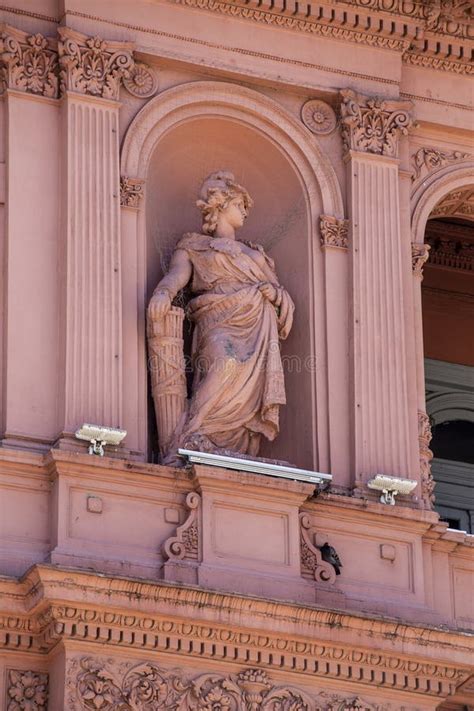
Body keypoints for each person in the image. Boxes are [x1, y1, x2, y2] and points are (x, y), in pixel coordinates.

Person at [148, 171, 294, 461]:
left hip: (256, 325)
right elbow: (176, 276)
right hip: (218, 320)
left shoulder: (255, 254)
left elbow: (281, 296)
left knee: (247, 392)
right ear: (222, 205)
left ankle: (234, 448)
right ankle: (190, 434)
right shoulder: (193, 245)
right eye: (240, 204)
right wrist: (163, 293)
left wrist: (275, 295)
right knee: (223, 363)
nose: (245, 212)